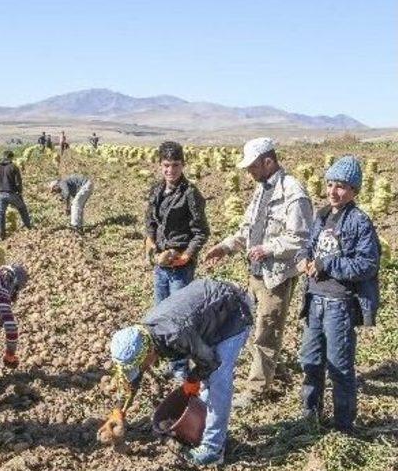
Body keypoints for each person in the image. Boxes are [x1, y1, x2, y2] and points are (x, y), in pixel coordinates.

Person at [205, 137, 312, 408]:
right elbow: (247, 230)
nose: (248, 172)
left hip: (275, 276)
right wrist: (226, 246)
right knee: (250, 326)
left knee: (267, 331)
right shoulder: (261, 189)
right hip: (255, 273)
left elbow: (300, 238)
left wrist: (268, 249)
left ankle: (256, 389)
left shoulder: (292, 192)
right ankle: (264, 371)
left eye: (252, 166)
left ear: (268, 161)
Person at [108, 279, 253, 466]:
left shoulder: (176, 334)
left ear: (148, 352)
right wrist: (119, 411)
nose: (144, 368)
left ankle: (213, 450)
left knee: (217, 380)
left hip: (232, 312)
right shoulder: (141, 337)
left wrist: (192, 379)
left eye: (142, 364)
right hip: (204, 316)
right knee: (205, 379)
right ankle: (203, 429)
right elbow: (132, 375)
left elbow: (209, 361)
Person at [297, 156, 380, 434]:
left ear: (354, 191)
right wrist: (303, 259)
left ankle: (344, 426)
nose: (333, 191)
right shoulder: (321, 216)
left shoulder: (359, 221)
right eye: (330, 184)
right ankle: (310, 417)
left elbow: (367, 264)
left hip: (339, 305)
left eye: (341, 186)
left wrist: (327, 263)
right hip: (314, 301)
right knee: (311, 363)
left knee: (340, 369)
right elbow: (310, 248)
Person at [145, 141, 210, 380]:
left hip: (180, 268)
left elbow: (201, 231)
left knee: (180, 318)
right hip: (161, 265)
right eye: (165, 165)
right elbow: (150, 224)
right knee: (161, 315)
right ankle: (170, 361)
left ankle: (181, 367)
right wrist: (151, 247)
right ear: (159, 165)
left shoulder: (191, 194)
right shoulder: (156, 190)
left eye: (175, 165)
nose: (170, 170)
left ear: (183, 165)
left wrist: (186, 256)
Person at [0, 150, 32, 241]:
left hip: (0, 195)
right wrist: (19, 192)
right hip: (12, 193)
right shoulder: (14, 167)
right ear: (10, 157)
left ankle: (1, 234)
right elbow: (18, 183)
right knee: (22, 208)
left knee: (0, 213)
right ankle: (28, 226)